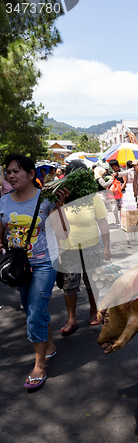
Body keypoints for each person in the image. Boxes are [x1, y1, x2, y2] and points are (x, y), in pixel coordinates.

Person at [0, 154, 69, 389]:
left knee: (34, 312)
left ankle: (39, 366)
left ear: (31, 175)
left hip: (44, 263)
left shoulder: (46, 200)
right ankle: (49, 346)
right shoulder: (4, 202)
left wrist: (59, 207)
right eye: (8, 172)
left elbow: (64, 233)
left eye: (16, 171)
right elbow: (2, 234)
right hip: (19, 268)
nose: (10, 175)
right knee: (33, 308)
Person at [58, 160, 111, 334]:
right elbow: (57, 225)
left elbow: (103, 222)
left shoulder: (92, 196)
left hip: (91, 246)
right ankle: (72, 319)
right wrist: (60, 203)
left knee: (92, 282)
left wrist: (107, 247)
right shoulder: (61, 197)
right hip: (69, 247)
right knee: (69, 285)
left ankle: (93, 312)